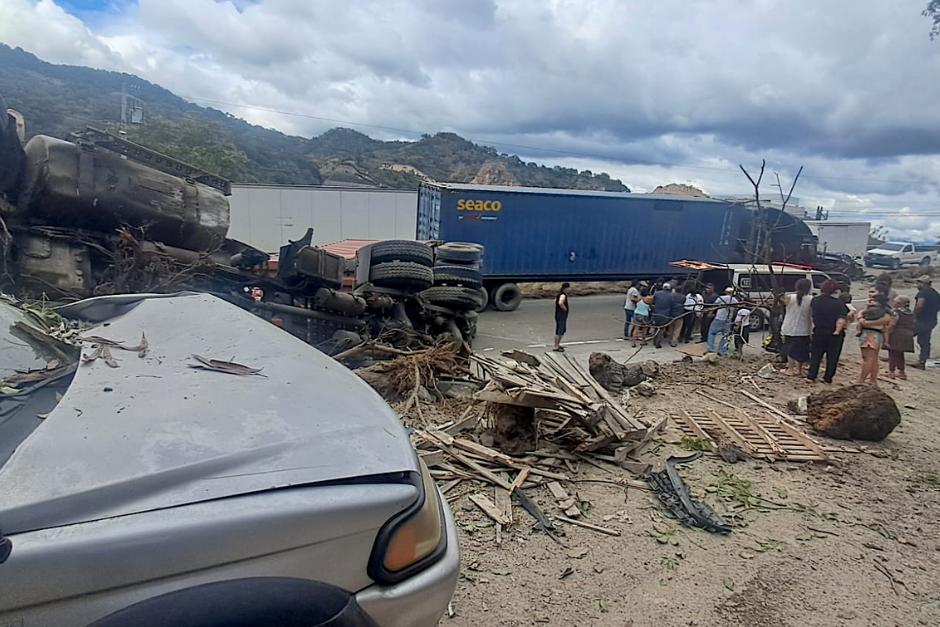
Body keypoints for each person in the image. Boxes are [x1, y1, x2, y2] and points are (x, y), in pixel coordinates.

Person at [806, 280, 849, 384]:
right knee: (832, 357)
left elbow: (812, 315)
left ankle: (811, 375)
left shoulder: (815, 300)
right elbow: (841, 319)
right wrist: (837, 331)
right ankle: (828, 377)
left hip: (819, 331)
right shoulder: (839, 304)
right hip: (834, 334)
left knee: (816, 354)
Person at [856, 291, 894, 386]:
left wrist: (862, 320)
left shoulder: (869, 312)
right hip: (878, 335)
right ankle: (873, 380)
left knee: (867, 358)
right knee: (874, 359)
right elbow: (886, 326)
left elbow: (862, 320)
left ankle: (861, 380)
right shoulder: (885, 313)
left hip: (868, 334)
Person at [780, 278, 814, 376]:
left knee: (790, 349)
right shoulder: (811, 299)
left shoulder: (790, 297)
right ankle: (799, 369)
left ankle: (790, 369)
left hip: (789, 327)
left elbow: (781, 303)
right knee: (802, 350)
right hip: (804, 329)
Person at [912, 275, 940, 368]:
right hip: (931, 321)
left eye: (919, 282)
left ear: (924, 284)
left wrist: (914, 317)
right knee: (924, 340)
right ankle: (922, 360)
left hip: (921, 320)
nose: (917, 285)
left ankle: (896, 356)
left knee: (905, 334)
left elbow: (920, 305)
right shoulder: (935, 294)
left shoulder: (923, 293)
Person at [886, 295, 915, 380]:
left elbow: (892, 324)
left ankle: (891, 372)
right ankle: (902, 372)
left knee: (892, 352)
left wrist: (887, 335)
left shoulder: (896, 312)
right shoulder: (910, 312)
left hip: (897, 334)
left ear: (898, 303)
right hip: (908, 334)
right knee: (900, 353)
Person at [707, 287, 738, 355]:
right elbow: (736, 309)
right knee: (725, 336)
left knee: (712, 333)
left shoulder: (721, 298)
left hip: (719, 318)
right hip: (728, 321)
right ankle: (722, 350)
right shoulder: (735, 300)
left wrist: (710, 313)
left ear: (725, 292)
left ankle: (710, 348)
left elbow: (714, 306)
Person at [651, 282, 673, 348]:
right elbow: (672, 305)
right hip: (665, 314)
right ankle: (658, 342)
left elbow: (653, 302)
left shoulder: (657, 293)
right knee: (661, 329)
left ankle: (654, 340)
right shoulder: (671, 296)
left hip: (656, 313)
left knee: (655, 327)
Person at [553, 283, 570, 352]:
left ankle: (557, 344)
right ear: (566, 288)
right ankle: (556, 346)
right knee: (560, 330)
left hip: (558, 314)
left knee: (561, 330)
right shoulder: (563, 295)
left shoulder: (559, 294)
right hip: (561, 315)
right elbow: (560, 303)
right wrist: (565, 309)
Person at [668, 282, 686, 347]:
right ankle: (674, 341)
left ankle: (670, 339)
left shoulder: (671, 295)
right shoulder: (683, 297)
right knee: (677, 329)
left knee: (671, 327)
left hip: (671, 314)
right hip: (680, 314)